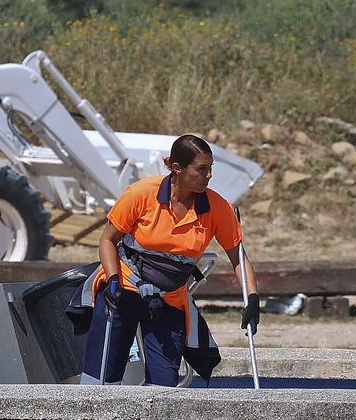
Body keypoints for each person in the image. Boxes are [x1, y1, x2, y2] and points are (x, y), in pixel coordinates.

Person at [68, 133, 259, 386]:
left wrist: (253, 298)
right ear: (177, 169)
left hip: (168, 299)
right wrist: (112, 280)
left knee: (164, 383)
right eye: (202, 169)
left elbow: (238, 257)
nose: (209, 175)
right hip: (122, 290)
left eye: (211, 168)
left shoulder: (217, 208)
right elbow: (107, 241)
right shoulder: (140, 194)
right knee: (102, 377)